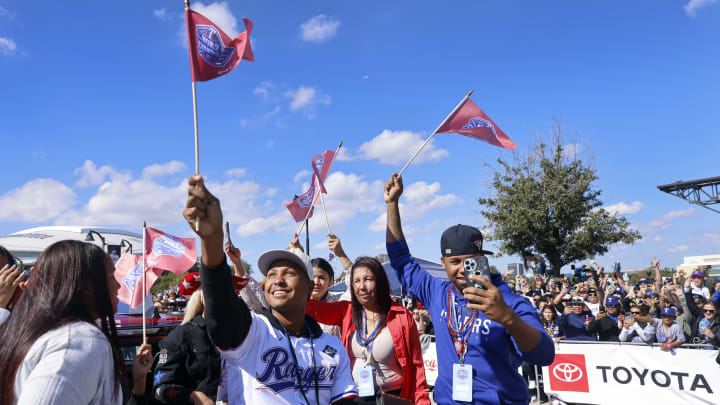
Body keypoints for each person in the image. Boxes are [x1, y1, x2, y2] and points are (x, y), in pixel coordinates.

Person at [182, 175, 357, 405]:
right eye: (271, 274)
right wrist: (212, 243)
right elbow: (222, 307)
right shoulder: (252, 331)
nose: (278, 280)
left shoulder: (332, 346)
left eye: (289, 273)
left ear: (310, 287)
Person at [383, 174, 554, 405]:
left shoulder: (507, 300)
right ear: (443, 263)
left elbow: (544, 355)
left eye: (471, 261)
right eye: (455, 262)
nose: (463, 269)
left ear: (483, 260)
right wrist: (392, 205)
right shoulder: (436, 291)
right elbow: (400, 258)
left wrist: (508, 318)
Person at [0, 240, 154, 405]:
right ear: (87, 286)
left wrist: (139, 381)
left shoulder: (57, 335)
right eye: (111, 277)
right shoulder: (77, 341)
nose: (118, 285)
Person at [306, 256, 431, 404]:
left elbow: (416, 367)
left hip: (392, 398)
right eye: (356, 281)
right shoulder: (346, 311)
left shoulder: (401, 316)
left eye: (368, 279)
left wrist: (422, 401)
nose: (362, 286)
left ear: (380, 281)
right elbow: (309, 307)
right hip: (355, 398)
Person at [153, 288, 222, 404]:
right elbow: (161, 389)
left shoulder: (242, 334)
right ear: (204, 298)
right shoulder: (179, 336)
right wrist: (193, 396)